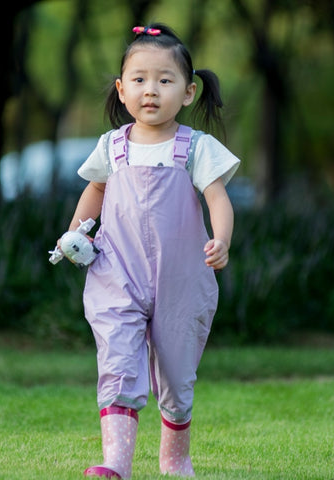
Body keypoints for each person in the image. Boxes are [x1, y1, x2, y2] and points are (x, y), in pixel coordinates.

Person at [61, 23, 240, 478]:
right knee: (118, 361)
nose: (151, 90)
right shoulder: (112, 146)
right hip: (117, 272)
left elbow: (218, 197)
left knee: (176, 378)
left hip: (180, 277)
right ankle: (115, 465)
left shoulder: (195, 148)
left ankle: (175, 458)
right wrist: (76, 231)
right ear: (122, 90)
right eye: (139, 79)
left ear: (188, 91)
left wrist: (220, 239)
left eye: (165, 80)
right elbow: (95, 191)